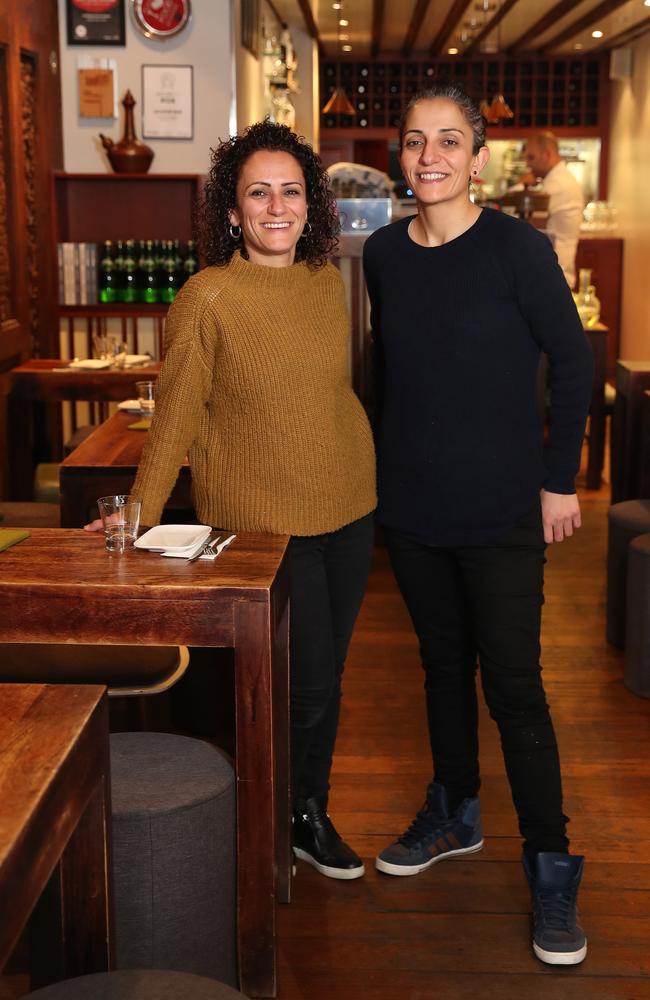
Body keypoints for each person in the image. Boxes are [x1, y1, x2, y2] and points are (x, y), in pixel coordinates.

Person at [86, 121, 377, 880]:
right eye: (258, 192)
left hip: (351, 502)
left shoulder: (326, 281)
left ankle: (306, 809)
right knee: (297, 689)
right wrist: (140, 513)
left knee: (329, 675)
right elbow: (177, 411)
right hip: (265, 522)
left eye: (291, 191)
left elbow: (330, 392)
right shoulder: (207, 296)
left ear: (311, 205)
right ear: (231, 211)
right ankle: (273, 820)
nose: (276, 207)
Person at [363, 83, 593, 965]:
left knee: (516, 688)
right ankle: (455, 812)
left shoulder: (519, 249)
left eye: (448, 140)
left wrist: (558, 481)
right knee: (439, 670)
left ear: (479, 154)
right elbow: (395, 375)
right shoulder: (383, 253)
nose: (430, 156)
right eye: (416, 140)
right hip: (414, 510)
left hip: (502, 511)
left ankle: (549, 862)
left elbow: (572, 367)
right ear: (403, 154)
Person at [521, 132, 585, 288]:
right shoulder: (556, 180)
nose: (527, 164)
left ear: (546, 155)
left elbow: (525, 218)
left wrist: (521, 185)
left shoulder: (559, 184)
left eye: (531, 158)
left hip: (555, 276)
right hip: (553, 272)